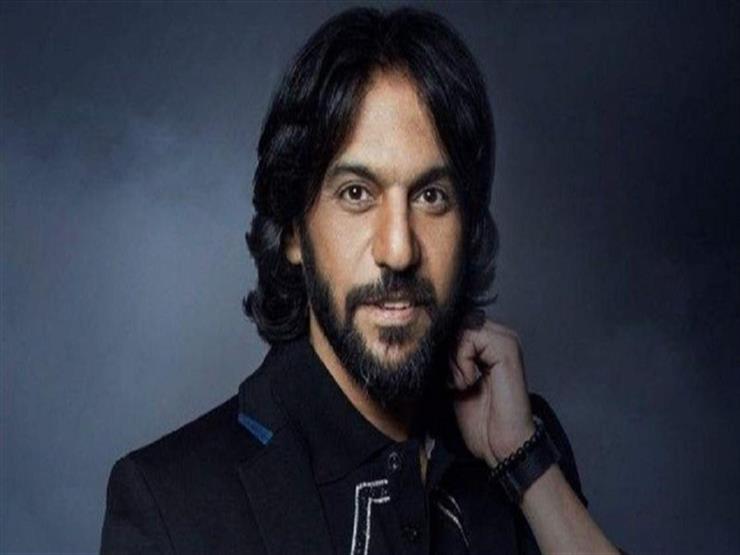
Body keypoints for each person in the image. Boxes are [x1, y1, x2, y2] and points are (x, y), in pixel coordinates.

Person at [101, 7, 625, 554]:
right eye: (356, 193)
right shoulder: (171, 502)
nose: (398, 250)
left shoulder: (522, 446)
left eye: (431, 196)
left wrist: (527, 465)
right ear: (294, 231)